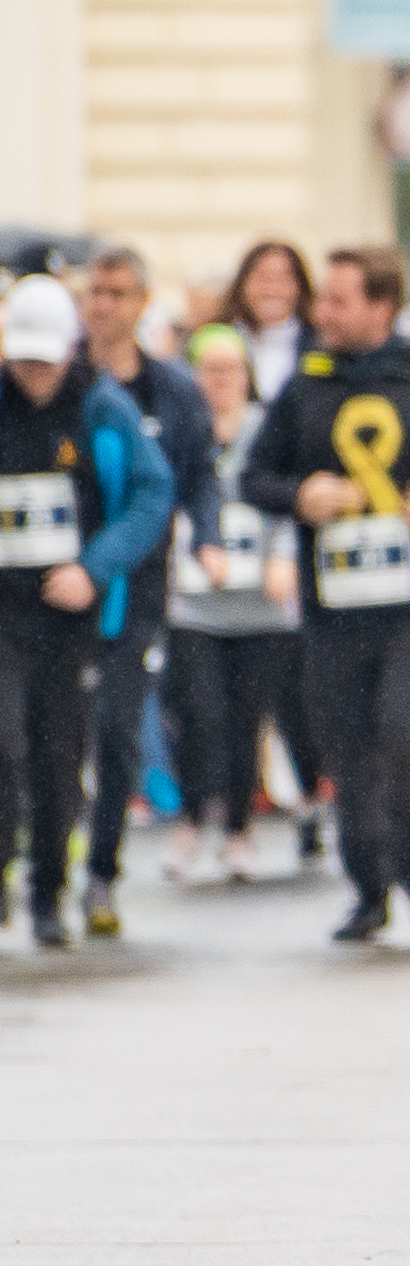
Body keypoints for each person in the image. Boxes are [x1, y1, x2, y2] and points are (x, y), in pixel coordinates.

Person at [240, 246, 410, 943]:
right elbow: (254, 477)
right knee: (347, 745)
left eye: (338, 300)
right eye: (322, 300)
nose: (322, 312)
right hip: (333, 601)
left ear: (380, 307)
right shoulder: (306, 384)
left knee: (401, 728)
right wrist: (300, 494)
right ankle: (367, 888)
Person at [0, 275, 175, 946]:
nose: (34, 375)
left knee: (57, 756)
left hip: (71, 619)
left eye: (44, 362)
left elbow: (152, 493)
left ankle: (48, 890)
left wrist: (94, 567)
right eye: (23, 361)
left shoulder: (102, 408)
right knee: (4, 742)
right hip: (5, 613)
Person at [74, 245, 226, 936]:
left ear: (142, 302)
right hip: (48, 589)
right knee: (47, 733)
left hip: (134, 589)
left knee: (116, 730)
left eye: (117, 293)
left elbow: (198, 476)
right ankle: (41, 858)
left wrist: (208, 537)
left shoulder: (172, 389)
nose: (103, 305)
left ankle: (101, 873)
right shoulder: (54, 378)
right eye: (95, 292)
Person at [160, 324, 308, 885]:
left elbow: (287, 494)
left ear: (247, 376)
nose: (221, 381)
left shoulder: (268, 431)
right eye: (210, 370)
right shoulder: (182, 431)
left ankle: (238, 829)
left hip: (261, 603)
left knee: (248, 720)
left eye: (231, 370)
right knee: (198, 715)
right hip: (194, 602)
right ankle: (192, 818)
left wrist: (285, 557)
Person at [222, 241, 314, 403]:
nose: (271, 290)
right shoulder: (222, 342)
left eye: (282, 279)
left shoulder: (318, 344)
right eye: (262, 278)